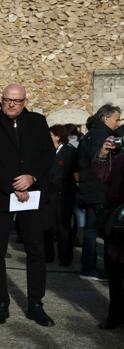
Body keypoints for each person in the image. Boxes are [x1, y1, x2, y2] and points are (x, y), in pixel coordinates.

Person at [0, 83, 55, 326]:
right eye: (7, 100)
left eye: (17, 101)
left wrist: (31, 177)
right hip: (1, 195)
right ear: (2, 100)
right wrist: (13, 186)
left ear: (25, 101)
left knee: (35, 250)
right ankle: (1, 303)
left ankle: (35, 304)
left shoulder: (38, 122)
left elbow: (47, 156)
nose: (12, 104)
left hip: (32, 195)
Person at [77, 104, 121, 281]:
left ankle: (89, 266)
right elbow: (100, 163)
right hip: (99, 190)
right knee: (97, 230)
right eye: (116, 119)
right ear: (105, 118)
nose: (118, 123)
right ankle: (89, 267)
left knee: (91, 229)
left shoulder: (90, 134)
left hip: (90, 188)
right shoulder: (101, 136)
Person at [93, 135, 124, 330]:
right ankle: (115, 316)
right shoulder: (120, 156)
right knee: (115, 272)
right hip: (118, 220)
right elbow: (102, 175)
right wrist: (104, 153)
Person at [44, 124, 78, 266]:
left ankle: (65, 257)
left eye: (50, 135)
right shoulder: (48, 151)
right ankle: (48, 255)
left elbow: (65, 173)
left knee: (63, 227)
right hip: (49, 195)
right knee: (47, 226)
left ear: (57, 136)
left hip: (63, 195)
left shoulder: (69, 151)